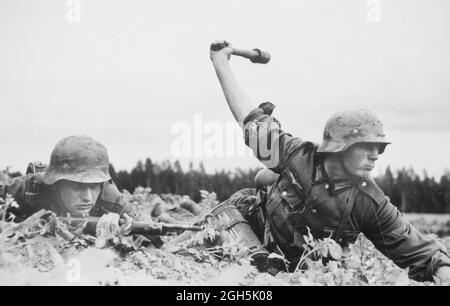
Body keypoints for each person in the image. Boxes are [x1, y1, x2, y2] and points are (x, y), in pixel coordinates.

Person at [210, 40, 450, 283]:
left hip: (297, 272)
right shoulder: (297, 156)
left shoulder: (368, 202)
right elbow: (251, 120)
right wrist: (220, 61)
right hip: (246, 231)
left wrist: (443, 270)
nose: (375, 155)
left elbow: (413, 247)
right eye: (366, 147)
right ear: (339, 148)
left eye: (378, 148)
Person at [0, 135, 133, 222]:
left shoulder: (112, 201)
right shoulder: (30, 189)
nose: (87, 197)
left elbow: (149, 238)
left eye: (93, 186)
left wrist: (125, 234)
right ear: (56, 183)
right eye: (77, 186)